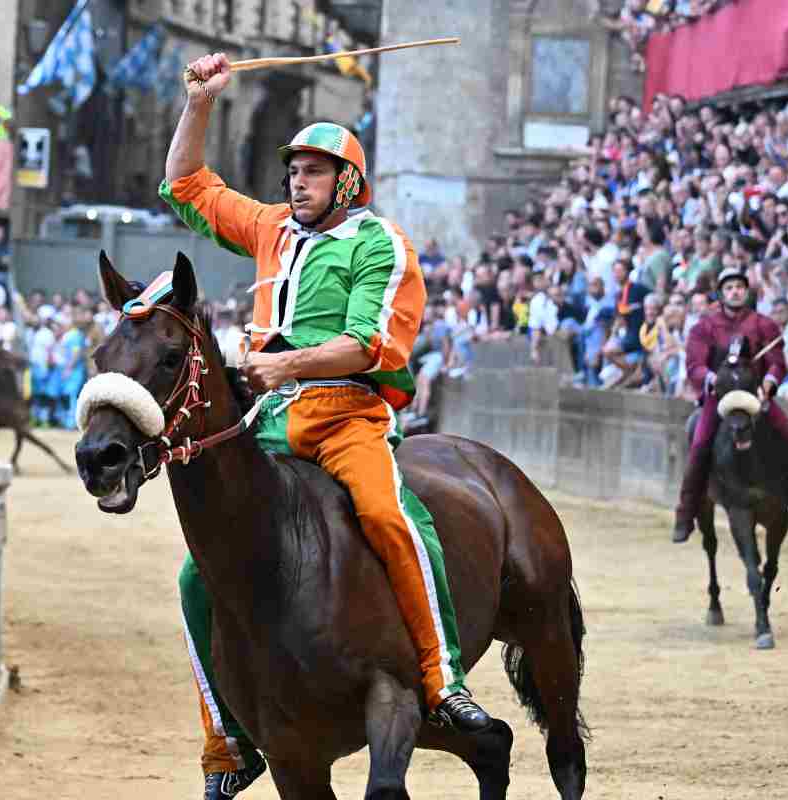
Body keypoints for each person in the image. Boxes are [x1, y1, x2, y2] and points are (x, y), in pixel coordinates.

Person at [162, 52, 489, 797]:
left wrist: (285, 365)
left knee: (389, 515)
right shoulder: (272, 227)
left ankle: (444, 681)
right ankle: (231, 739)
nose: (295, 182)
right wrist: (200, 104)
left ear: (346, 180)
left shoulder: (383, 244)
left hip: (347, 418)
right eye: (292, 172)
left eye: (311, 171)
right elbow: (188, 185)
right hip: (273, 423)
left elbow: (373, 344)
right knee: (194, 574)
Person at [672, 268, 788, 542]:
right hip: (719, 400)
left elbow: (777, 362)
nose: (735, 291)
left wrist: (771, 381)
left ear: (747, 291)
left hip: (756, 397)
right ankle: (685, 514)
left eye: (739, 286)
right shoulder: (703, 327)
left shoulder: (764, 324)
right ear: (721, 293)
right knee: (700, 445)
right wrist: (715, 379)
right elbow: (694, 366)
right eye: (729, 288)